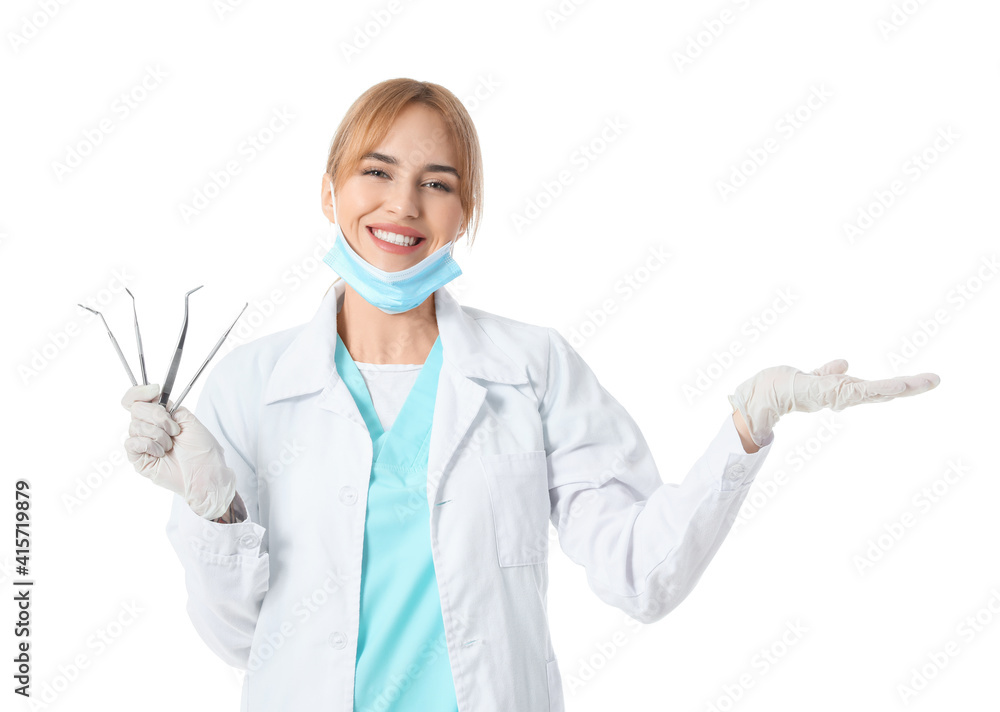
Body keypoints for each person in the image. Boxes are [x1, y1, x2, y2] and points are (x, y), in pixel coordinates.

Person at [120, 78, 940, 712]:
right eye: (377, 172)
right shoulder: (251, 387)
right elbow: (237, 641)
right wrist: (218, 511)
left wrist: (745, 431)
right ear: (330, 189)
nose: (403, 205)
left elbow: (638, 575)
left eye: (437, 183)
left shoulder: (532, 367)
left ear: (464, 211)